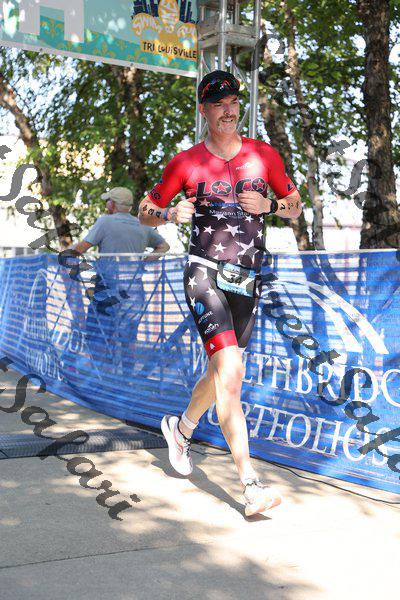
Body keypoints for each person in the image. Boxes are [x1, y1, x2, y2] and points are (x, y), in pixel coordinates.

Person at [138, 71, 302, 517]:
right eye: (218, 104)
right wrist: (170, 213)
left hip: (246, 278)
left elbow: (295, 205)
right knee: (231, 371)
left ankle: (181, 429)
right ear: (204, 110)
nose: (228, 111)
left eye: (233, 103)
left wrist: (270, 206)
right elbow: (145, 212)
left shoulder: (264, 155)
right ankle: (250, 484)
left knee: (220, 373)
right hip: (204, 272)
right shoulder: (186, 162)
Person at [73, 186, 169, 374]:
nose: (106, 204)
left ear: (113, 204)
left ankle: (101, 377)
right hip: (134, 288)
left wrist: (64, 256)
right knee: (129, 336)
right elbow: (164, 246)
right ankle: (127, 378)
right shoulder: (142, 225)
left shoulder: (105, 222)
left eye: (108, 201)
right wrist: (144, 260)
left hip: (107, 286)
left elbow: (82, 247)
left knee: (99, 332)